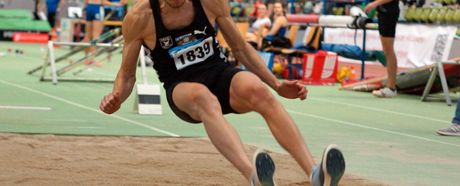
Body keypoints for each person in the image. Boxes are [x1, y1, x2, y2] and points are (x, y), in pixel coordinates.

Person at [99, 0, 346, 185]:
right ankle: (253, 175)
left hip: (219, 72)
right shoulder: (140, 17)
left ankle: (314, 172)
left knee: (258, 91)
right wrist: (117, 96)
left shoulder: (209, 2)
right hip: (182, 87)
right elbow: (127, 73)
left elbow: (240, 48)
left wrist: (277, 84)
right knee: (204, 99)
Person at [364, 0, 399, 98]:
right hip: (383, 12)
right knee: (387, 50)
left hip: (389, 13)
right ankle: (390, 86)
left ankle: (391, 88)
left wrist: (375, 3)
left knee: (389, 50)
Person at [82, 0, 124, 64]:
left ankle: (86, 58)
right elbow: (102, 1)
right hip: (97, 8)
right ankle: (92, 59)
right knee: (96, 36)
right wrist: (116, 5)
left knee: (87, 35)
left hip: (89, 7)